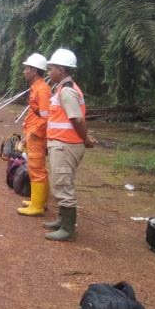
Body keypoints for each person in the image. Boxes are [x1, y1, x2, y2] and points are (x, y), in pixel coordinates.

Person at [43, 48, 96, 241]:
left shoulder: (67, 91)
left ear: (61, 69)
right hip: (62, 144)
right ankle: (61, 220)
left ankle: (67, 229)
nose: (49, 72)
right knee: (60, 181)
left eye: (51, 69)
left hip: (66, 145)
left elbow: (77, 120)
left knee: (63, 183)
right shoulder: (62, 90)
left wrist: (86, 139)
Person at [17, 53, 52, 216]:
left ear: (34, 70)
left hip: (37, 137)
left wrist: (32, 135)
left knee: (37, 169)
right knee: (35, 168)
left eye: (26, 68)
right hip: (34, 134)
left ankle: (37, 207)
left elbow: (45, 117)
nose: (24, 71)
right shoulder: (37, 88)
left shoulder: (42, 90)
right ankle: (38, 201)